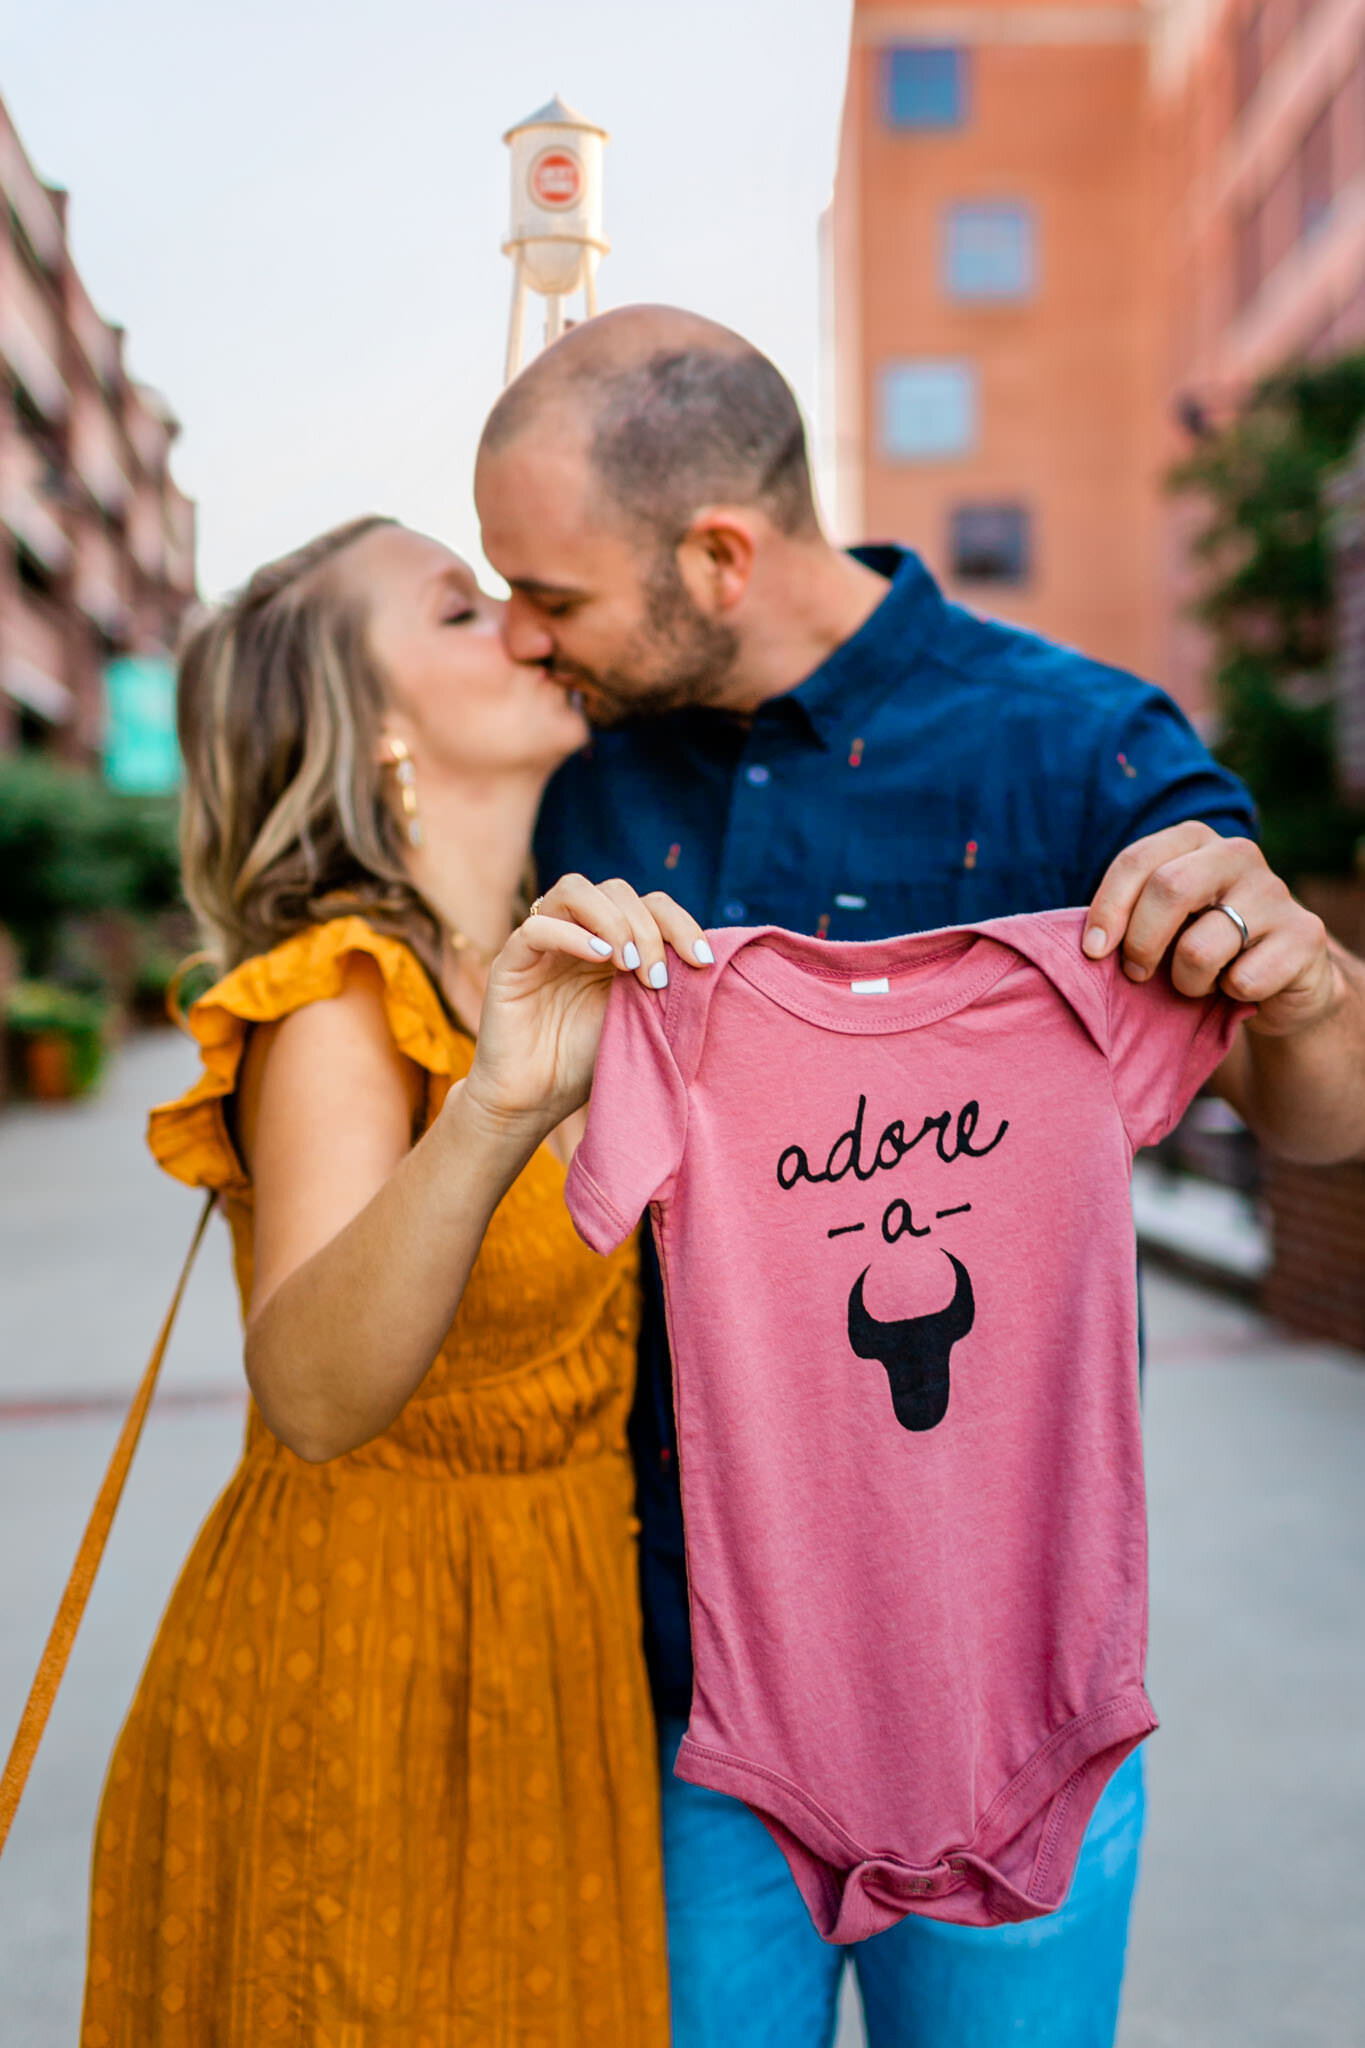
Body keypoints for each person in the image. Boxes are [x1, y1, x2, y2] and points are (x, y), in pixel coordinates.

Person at [473, 305, 1365, 2048]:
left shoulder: (1082, 747)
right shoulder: (571, 789)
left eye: (551, 598)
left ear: (717, 554)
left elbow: (1313, 1116)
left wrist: (1311, 987)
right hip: (675, 1688)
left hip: (1002, 1685)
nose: (519, 639)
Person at [81, 514, 715, 2046]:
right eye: (457, 607)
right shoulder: (341, 998)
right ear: (371, 726)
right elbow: (307, 1392)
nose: (520, 620)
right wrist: (496, 1108)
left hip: (549, 1662)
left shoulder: (539, 958)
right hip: (360, 1681)